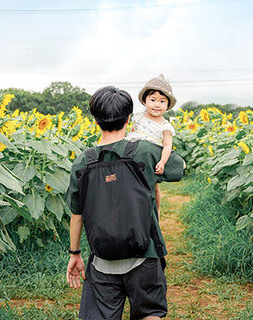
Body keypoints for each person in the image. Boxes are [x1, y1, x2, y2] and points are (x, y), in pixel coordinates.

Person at [65, 86, 185, 320]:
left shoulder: (82, 162)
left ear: (96, 120)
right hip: (145, 255)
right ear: (129, 118)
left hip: (102, 261)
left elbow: (76, 213)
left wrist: (74, 253)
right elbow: (179, 169)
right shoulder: (145, 151)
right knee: (149, 313)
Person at [126, 74, 177, 176]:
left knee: (151, 184)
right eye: (153, 100)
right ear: (145, 101)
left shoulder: (165, 126)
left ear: (167, 105)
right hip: (131, 154)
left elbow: (167, 146)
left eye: (162, 101)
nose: (157, 105)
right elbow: (131, 133)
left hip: (149, 159)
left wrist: (162, 162)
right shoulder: (139, 117)